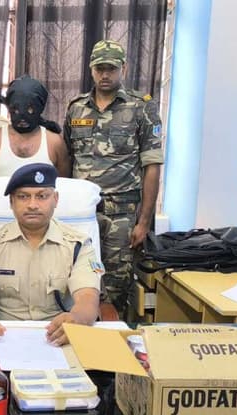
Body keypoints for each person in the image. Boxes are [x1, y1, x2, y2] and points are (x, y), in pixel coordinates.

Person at [64, 40, 163, 313]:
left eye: (111, 68)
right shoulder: (76, 108)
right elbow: (67, 159)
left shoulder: (141, 107)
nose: (105, 74)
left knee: (116, 285)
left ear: (124, 69)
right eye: (100, 69)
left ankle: (113, 334)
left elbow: (152, 165)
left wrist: (144, 222)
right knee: (77, 279)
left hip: (121, 214)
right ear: (91, 69)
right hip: (82, 213)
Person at [0, 163, 102, 346]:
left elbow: (87, 297)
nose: (33, 205)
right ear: (11, 202)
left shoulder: (78, 245)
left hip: (57, 337)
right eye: (23, 197)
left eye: (42, 196)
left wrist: (77, 319)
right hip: (1, 338)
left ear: (55, 199)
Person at [0, 75, 70, 178]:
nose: (22, 116)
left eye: (30, 109)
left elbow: (63, 184)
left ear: (40, 108)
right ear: (9, 108)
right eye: (16, 110)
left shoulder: (55, 143)